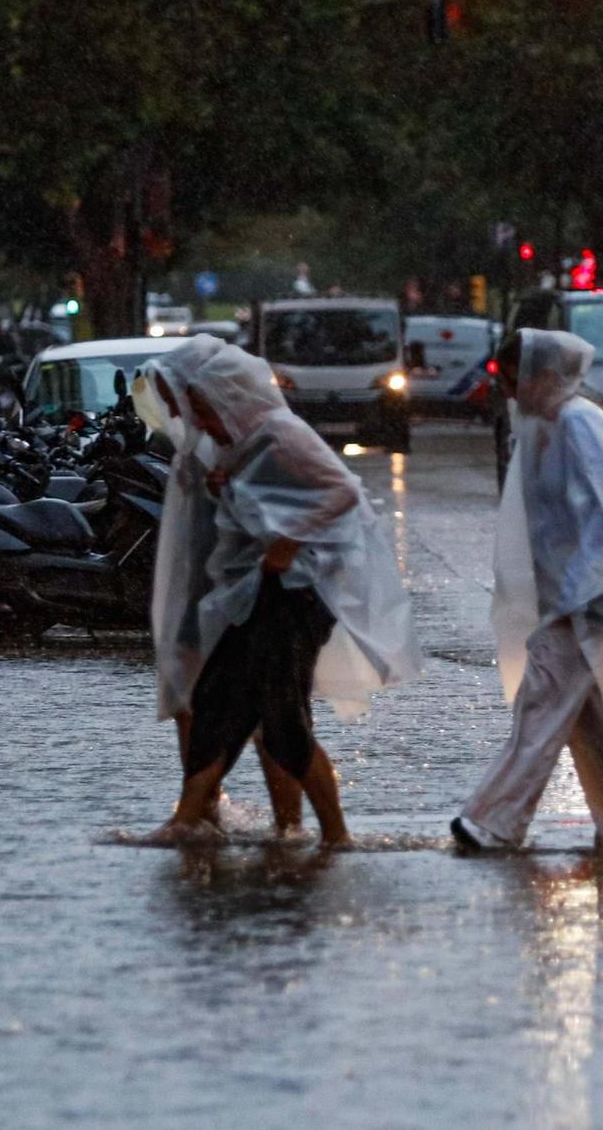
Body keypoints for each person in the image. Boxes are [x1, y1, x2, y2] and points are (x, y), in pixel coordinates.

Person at [149, 345, 420, 846]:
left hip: (294, 595)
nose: (198, 421)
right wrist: (227, 485)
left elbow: (343, 492)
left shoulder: (280, 432)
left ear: (228, 398)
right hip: (257, 594)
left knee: (280, 720)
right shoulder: (244, 440)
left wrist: (289, 543)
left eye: (202, 408)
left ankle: (330, 833)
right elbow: (264, 501)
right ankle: (192, 819)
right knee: (218, 704)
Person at [452, 330, 603, 854]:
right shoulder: (544, 427)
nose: (508, 391)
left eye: (513, 379)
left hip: (589, 600)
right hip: (572, 599)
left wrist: (577, 592)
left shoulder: (578, 423)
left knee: (541, 706)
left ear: (543, 376)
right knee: (601, 724)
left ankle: (492, 821)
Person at [134, 336, 304, 835]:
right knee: (194, 706)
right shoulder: (199, 441)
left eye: (174, 395)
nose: (170, 408)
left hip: (248, 596)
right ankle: (204, 812)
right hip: (203, 595)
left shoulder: (253, 440)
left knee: (271, 719)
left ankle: (289, 825)